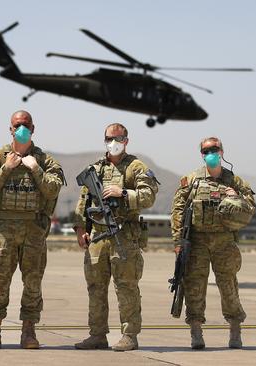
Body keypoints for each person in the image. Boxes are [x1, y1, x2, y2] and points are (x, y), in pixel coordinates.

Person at [0, 110, 64, 350]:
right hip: (4, 230)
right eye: (17, 125)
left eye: (25, 125)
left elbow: (53, 190)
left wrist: (35, 168)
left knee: (33, 283)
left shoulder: (45, 161)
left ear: (33, 128)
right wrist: (6, 168)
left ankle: (29, 331)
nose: (21, 129)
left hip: (33, 230)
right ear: (10, 129)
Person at [73, 123, 159, 352]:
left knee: (126, 287)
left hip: (125, 236)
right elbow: (84, 201)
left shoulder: (135, 166)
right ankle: (97, 334)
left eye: (118, 138)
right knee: (95, 288)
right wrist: (81, 229)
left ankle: (129, 335)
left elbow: (149, 196)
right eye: (109, 138)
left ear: (126, 140)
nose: (113, 142)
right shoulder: (96, 168)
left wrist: (122, 193)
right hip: (98, 236)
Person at [170, 136, 256, 349]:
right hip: (196, 242)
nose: (211, 153)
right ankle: (196, 332)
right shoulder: (191, 180)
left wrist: (235, 197)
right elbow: (178, 210)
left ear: (222, 152)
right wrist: (178, 241)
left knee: (228, 287)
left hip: (224, 243)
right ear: (202, 155)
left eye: (214, 149)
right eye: (206, 150)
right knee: (194, 287)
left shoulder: (235, 181)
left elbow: (250, 208)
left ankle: (235, 329)